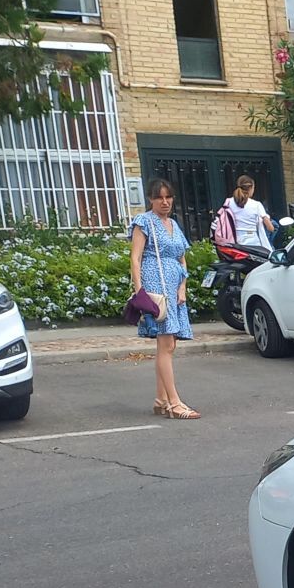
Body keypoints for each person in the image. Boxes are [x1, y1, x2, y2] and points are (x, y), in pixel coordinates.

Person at [130, 179, 198, 418]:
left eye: (168, 197)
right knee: (166, 344)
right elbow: (136, 258)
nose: (165, 202)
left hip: (173, 287)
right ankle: (174, 402)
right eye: (159, 197)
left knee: (170, 344)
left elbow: (182, 258)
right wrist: (140, 291)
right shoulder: (144, 222)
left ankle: (161, 399)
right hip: (155, 285)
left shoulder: (173, 224)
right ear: (151, 199)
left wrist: (183, 287)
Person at [219, 175, 275, 252]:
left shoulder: (228, 202)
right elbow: (270, 228)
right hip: (253, 242)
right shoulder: (256, 204)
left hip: (234, 240)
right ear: (251, 188)